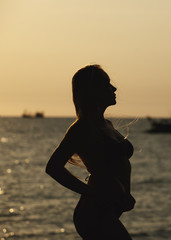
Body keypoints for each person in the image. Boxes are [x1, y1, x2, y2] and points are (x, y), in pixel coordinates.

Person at [46, 64, 135, 239]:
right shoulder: (81, 128)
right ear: (93, 91)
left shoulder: (106, 125)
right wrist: (92, 193)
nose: (114, 88)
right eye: (107, 84)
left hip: (107, 210)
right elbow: (53, 167)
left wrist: (124, 194)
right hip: (94, 212)